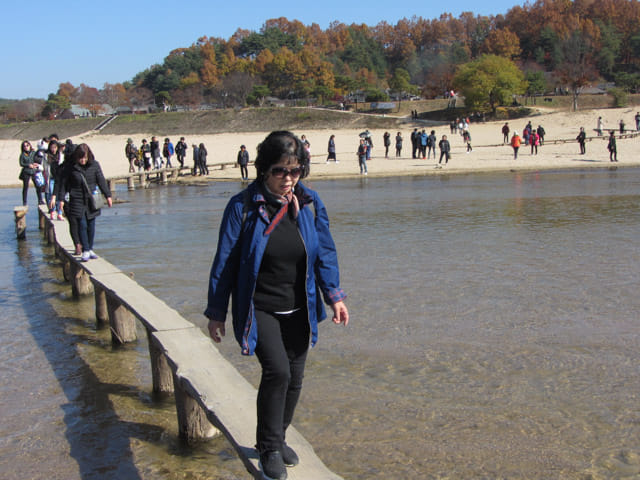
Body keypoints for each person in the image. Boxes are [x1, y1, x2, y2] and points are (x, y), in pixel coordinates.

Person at [205, 131, 349, 480]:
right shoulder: (242, 207)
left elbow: (324, 253)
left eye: (296, 171)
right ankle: (268, 446)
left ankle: (278, 434)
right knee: (278, 372)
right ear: (263, 170)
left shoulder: (310, 203)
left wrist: (335, 296)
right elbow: (224, 261)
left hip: (300, 304)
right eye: (280, 171)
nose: (288, 179)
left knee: (296, 378)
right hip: (261, 306)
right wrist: (215, 312)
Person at [53, 143, 112, 260]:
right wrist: (61, 199)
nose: (83, 160)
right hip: (77, 198)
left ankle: (90, 248)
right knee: (82, 224)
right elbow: (63, 184)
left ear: (88, 156)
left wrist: (108, 196)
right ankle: (85, 249)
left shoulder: (95, 165)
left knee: (91, 225)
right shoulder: (71, 167)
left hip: (92, 199)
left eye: (84, 158)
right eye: (80, 158)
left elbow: (101, 181)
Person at [18, 140, 46, 206]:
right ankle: (24, 202)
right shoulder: (22, 155)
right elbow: (21, 163)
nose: (26, 147)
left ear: (30, 145)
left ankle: (40, 200)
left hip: (34, 171)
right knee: (25, 187)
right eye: (24, 146)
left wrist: (36, 164)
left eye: (27, 145)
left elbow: (39, 158)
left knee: (38, 186)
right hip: (26, 172)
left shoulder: (34, 153)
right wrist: (28, 165)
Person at [46, 140, 64, 220]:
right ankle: (52, 212)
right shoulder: (46, 156)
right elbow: (44, 167)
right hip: (52, 178)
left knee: (60, 196)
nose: (53, 149)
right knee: (51, 196)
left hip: (60, 178)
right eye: (52, 147)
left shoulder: (60, 155)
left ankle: (59, 213)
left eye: (55, 147)